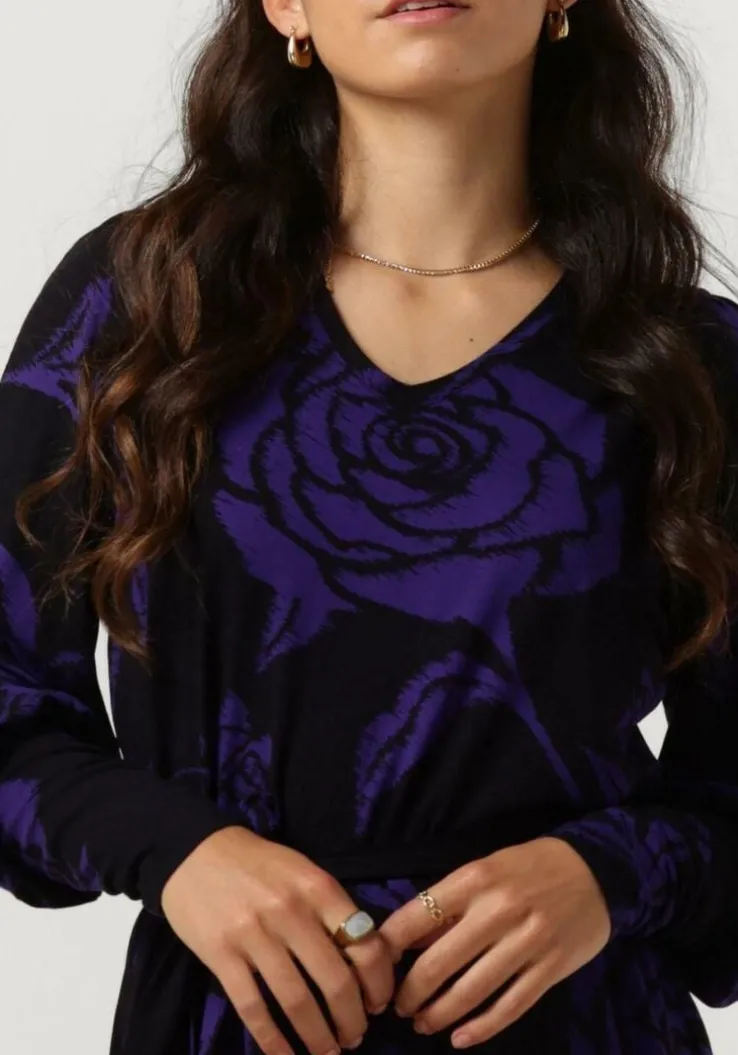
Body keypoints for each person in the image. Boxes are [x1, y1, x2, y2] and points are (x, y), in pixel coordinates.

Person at [3, 0, 738, 1052]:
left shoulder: (690, 362)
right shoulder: (143, 307)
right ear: (286, 7)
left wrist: (607, 873)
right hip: (237, 1023)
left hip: (582, 1022)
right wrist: (178, 853)